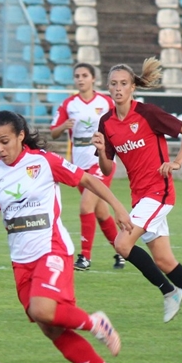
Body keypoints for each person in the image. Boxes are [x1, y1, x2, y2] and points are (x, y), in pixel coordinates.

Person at [0, 111, 133, 363]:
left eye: (4, 141)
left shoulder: (43, 162)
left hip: (52, 249)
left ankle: (95, 323)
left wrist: (118, 207)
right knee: (50, 329)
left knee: (41, 310)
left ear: (20, 136)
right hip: (20, 260)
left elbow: (88, 180)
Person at [91, 58, 182, 335]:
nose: (118, 89)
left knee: (122, 244)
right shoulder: (106, 122)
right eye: (114, 84)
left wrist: (177, 161)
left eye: (124, 84)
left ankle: (169, 291)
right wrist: (101, 148)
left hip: (159, 192)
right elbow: (108, 167)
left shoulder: (147, 113)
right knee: (165, 261)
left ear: (133, 88)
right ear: (107, 87)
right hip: (140, 197)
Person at [49, 63, 125, 272]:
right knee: (101, 213)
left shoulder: (105, 102)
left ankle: (85, 258)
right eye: (77, 76)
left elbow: (123, 120)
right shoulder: (69, 104)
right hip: (79, 165)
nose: (80, 79)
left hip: (100, 160)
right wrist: (62, 127)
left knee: (85, 207)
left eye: (84, 75)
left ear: (93, 79)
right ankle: (122, 252)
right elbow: (53, 132)